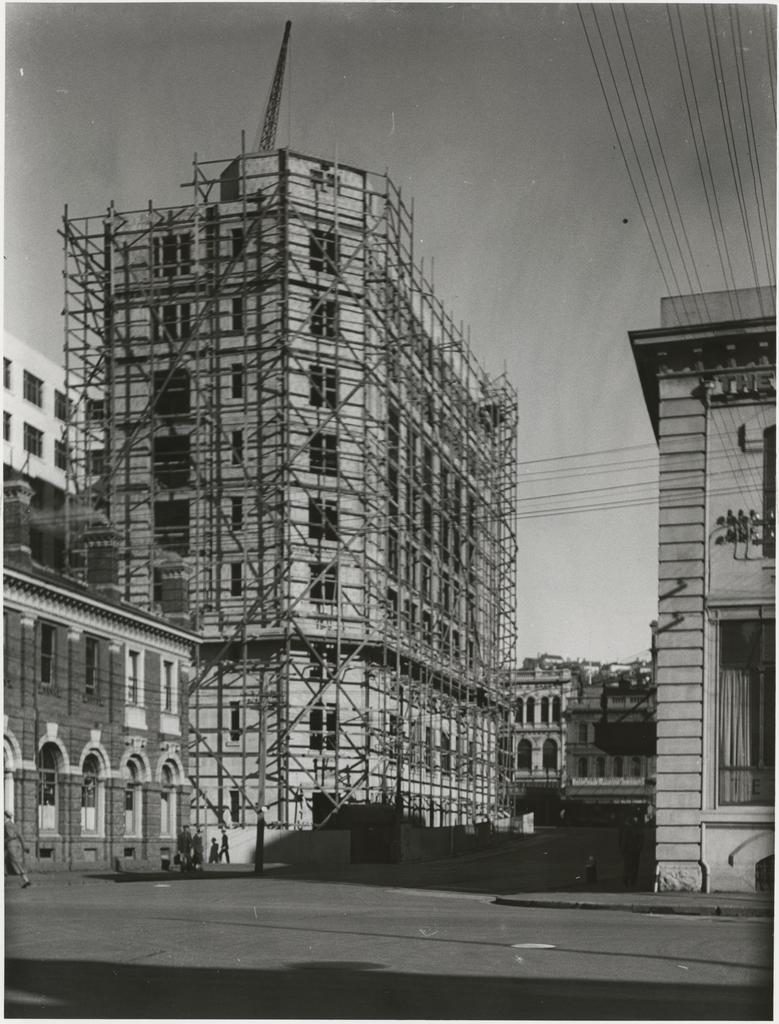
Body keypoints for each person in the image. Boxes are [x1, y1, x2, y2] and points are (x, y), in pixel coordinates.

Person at [4, 811, 31, 888]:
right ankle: (25, 880)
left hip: (10, 846)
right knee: (6, 863)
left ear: (6, 816)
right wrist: (24, 846)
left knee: (15, 863)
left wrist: (3, 841)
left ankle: (26, 880)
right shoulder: (13, 825)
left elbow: (10, 836)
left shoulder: (6, 825)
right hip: (15, 845)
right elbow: (20, 836)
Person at [618, 812, 644, 888]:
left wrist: (622, 849)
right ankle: (632, 881)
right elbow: (641, 838)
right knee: (634, 866)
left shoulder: (625, 827)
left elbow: (622, 839)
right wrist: (640, 847)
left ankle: (626, 881)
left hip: (629, 849)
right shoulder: (637, 827)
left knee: (627, 866)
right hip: (634, 850)